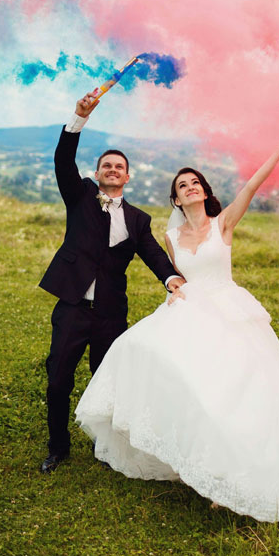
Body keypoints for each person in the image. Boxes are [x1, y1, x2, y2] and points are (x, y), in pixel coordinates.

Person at [75, 130, 279, 521]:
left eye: (195, 183)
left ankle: (233, 471)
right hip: (190, 310)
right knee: (143, 352)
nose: (190, 187)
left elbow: (252, 185)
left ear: (204, 192)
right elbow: (175, 275)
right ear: (176, 199)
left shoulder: (224, 223)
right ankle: (189, 453)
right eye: (183, 185)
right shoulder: (171, 236)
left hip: (228, 310)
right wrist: (173, 290)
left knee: (232, 390)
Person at [38, 91, 185, 473]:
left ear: (128, 176)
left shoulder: (138, 219)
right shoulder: (81, 196)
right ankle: (58, 447)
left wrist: (171, 277)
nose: (113, 169)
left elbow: (153, 253)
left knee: (106, 382)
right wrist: (78, 118)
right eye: (107, 165)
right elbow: (62, 160)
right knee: (58, 381)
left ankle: (105, 446)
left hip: (110, 314)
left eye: (119, 166)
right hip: (73, 306)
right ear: (98, 172)